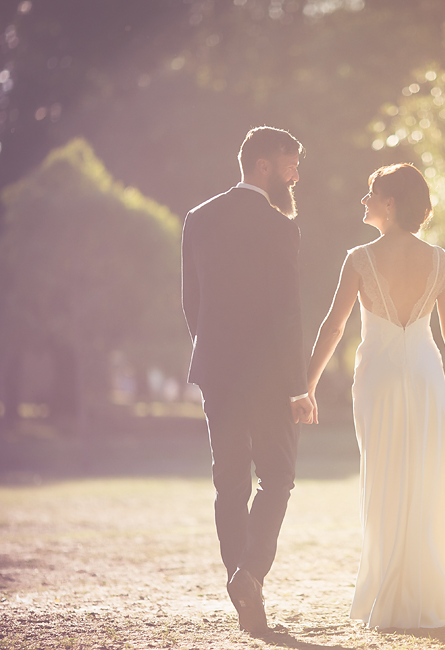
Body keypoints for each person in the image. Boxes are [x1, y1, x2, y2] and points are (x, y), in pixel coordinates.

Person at [305, 163, 445, 629]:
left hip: (379, 375)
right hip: (423, 375)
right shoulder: (439, 260)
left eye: (371, 192)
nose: (363, 200)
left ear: (390, 203)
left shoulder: (359, 258)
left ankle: (386, 592)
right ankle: (420, 598)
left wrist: (308, 385)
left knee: (382, 477)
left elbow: (334, 326)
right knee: (422, 477)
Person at [181, 126, 314, 634]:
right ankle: (250, 573)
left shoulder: (198, 218)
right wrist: (297, 385)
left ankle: (244, 597)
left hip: (216, 371)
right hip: (268, 378)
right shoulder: (280, 227)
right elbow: (288, 312)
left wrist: (215, 353)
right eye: (290, 163)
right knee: (277, 476)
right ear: (263, 164)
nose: (295, 174)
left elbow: (192, 304)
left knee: (229, 482)